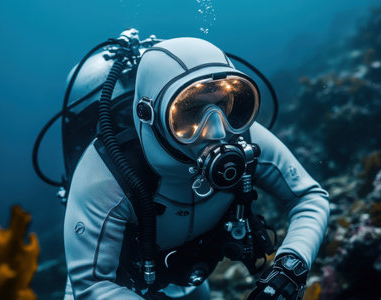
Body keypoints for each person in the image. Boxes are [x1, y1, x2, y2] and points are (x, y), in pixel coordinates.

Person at [63, 37, 329, 300]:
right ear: (148, 114)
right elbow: (91, 286)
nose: (216, 130)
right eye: (190, 112)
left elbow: (309, 198)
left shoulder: (246, 139)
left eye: (223, 104)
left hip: (190, 281)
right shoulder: (107, 175)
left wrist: (289, 271)